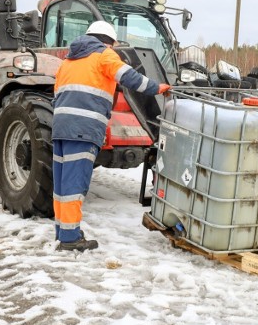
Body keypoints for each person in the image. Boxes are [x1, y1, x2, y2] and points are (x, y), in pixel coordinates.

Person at [52, 21, 171, 252]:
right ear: (110, 42)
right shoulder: (104, 55)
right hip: (83, 129)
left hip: (60, 128)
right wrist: (159, 88)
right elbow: (131, 79)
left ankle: (65, 231)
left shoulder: (68, 61)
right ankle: (70, 240)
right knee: (75, 185)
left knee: (62, 184)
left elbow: (57, 95)